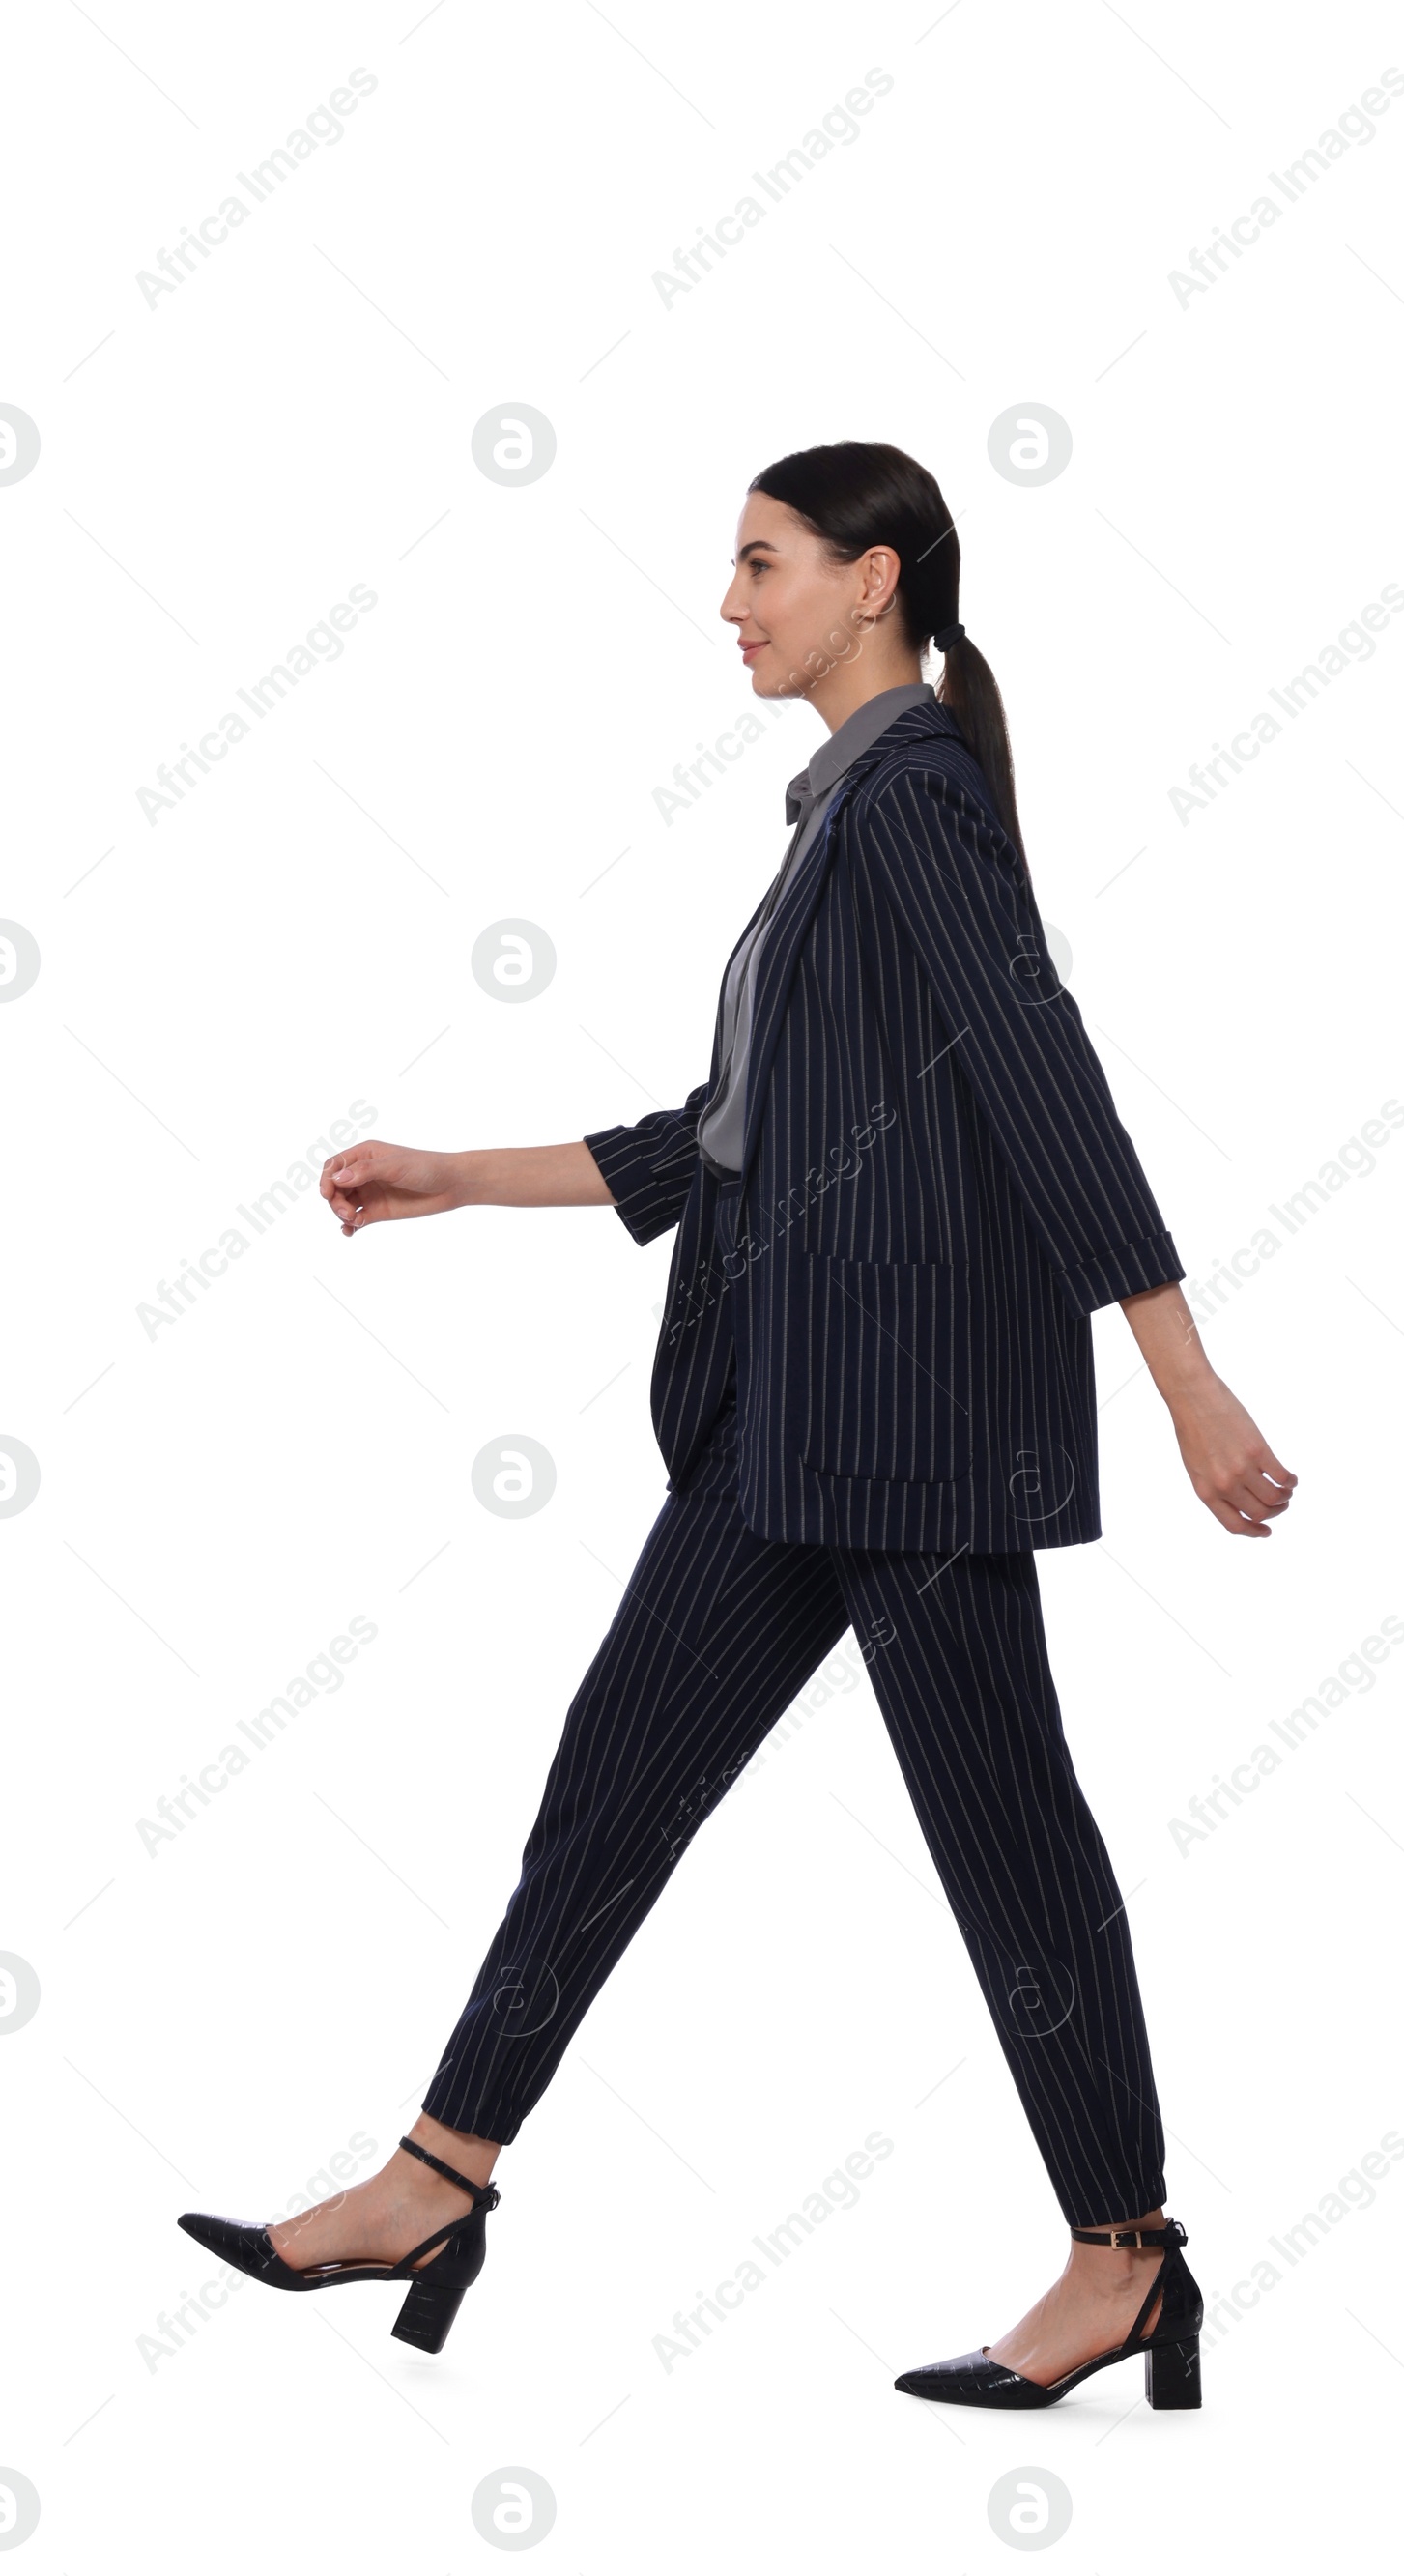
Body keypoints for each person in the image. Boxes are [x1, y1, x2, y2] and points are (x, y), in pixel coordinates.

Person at [179, 442, 1296, 2402]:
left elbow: (1045, 1083)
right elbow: (726, 1139)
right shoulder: (843, 817)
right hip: (792, 1429)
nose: (728, 603)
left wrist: (1181, 1376)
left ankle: (1121, 2257)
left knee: (1003, 1837)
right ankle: (437, 2175)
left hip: (913, 1437)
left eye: (760, 563)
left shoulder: (911, 801)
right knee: (612, 1781)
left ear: (869, 581)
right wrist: (461, 1172)